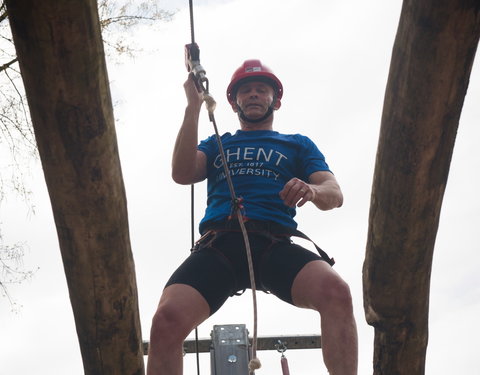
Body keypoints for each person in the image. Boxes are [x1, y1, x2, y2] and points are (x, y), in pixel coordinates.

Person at [147, 60, 358, 375]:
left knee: (336, 293)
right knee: (166, 321)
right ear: (234, 102)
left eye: (262, 89)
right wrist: (193, 107)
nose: (254, 95)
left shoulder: (296, 145)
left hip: (273, 243)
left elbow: (334, 194)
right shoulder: (218, 144)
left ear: (276, 100)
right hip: (220, 245)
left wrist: (311, 191)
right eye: (246, 91)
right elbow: (182, 172)